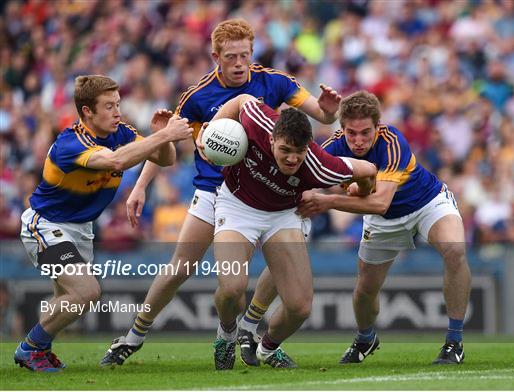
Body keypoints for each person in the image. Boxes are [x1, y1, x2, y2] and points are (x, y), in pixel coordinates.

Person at [100, 19, 343, 367]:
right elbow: (168, 138)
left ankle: (248, 327)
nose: (240, 63)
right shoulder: (199, 96)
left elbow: (320, 114)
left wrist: (329, 110)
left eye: (245, 54)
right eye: (231, 57)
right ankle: (134, 336)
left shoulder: (273, 82)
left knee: (284, 261)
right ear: (216, 56)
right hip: (216, 191)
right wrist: (140, 186)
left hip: (272, 192)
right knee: (180, 267)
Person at [15, 75, 193, 372]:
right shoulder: (70, 143)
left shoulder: (120, 132)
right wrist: (163, 137)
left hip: (80, 229)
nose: (117, 112)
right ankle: (29, 348)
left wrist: (160, 134)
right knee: (86, 292)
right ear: (87, 112)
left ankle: (41, 349)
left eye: (118, 104)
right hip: (45, 225)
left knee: (70, 299)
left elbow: (166, 159)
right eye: (109, 106)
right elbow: (116, 162)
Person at [199, 94, 376, 369]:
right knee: (233, 289)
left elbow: (369, 170)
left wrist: (360, 190)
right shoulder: (258, 122)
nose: (293, 159)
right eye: (285, 151)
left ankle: (267, 349)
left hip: (282, 216)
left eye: (300, 151)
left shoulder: (321, 165)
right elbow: (241, 99)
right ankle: (226, 333)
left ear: (309, 146)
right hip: (236, 206)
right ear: (272, 140)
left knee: (299, 307)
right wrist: (211, 129)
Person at [295, 90, 472, 365]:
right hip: (383, 222)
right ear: (342, 129)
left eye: (366, 132)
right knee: (366, 289)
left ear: (378, 126)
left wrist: (328, 201)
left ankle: (454, 342)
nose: (358, 140)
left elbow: (379, 203)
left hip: (426, 202)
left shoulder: (392, 141)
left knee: (455, 251)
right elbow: (298, 173)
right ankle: (365, 338)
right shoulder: (331, 147)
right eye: (351, 133)